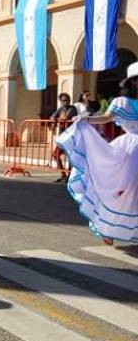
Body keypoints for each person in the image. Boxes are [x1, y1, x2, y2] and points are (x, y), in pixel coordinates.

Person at [57, 62, 138, 245]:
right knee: (120, 190)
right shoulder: (122, 102)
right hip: (131, 149)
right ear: (134, 82)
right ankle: (105, 225)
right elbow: (107, 117)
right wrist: (87, 119)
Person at [51, 93, 78, 182]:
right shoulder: (61, 109)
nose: (66, 102)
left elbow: (65, 118)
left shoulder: (72, 108)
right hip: (62, 136)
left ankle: (69, 177)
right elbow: (52, 117)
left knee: (70, 157)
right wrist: (55, 119)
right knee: (55, 155)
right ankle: (63, 175)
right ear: (61, 101)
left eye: (68, 100)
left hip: (71, 136)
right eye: (64, 100)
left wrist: (57, 119)